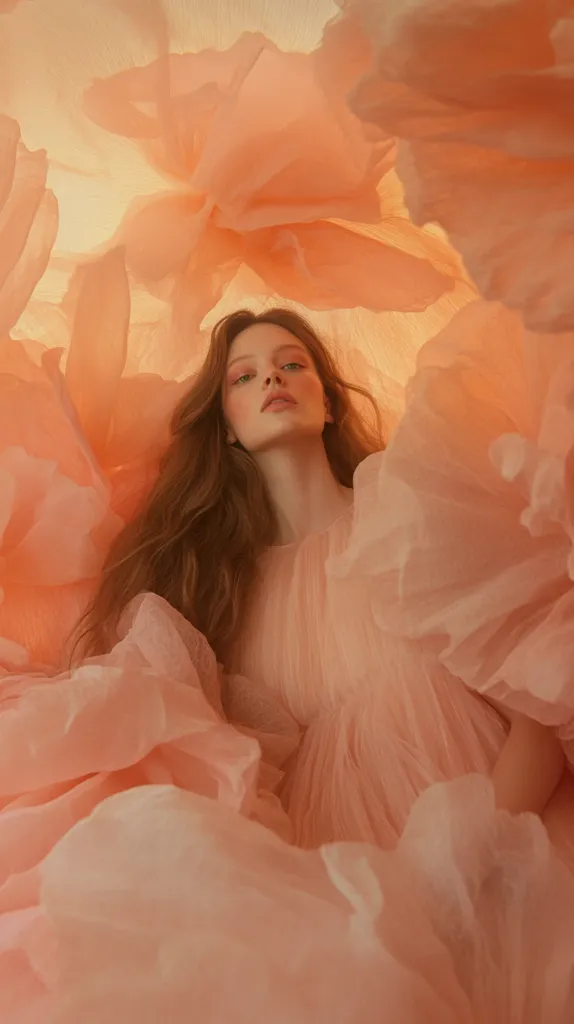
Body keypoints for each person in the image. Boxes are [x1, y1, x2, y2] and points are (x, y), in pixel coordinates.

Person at [74, 306, 569, 853]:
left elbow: (537, 708)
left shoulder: (412, 509)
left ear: (328, 404)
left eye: (292, 364)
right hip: (335, 893)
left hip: (503, 846)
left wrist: (475, 862)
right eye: (244, 376)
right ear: (228, 429)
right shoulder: (220, 592)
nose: (272, 378)